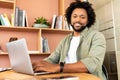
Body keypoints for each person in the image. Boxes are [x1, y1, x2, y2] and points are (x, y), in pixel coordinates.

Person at [32, 1, 106, 80]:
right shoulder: (65, 40)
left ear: (88, 21)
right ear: (70, 19)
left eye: (82, 17)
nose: (78, 20)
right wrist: (38, 65)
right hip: (66, 77)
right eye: (74, 16)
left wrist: (59, 67)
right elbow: (52, 59)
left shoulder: (97, 36)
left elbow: (93, 63)